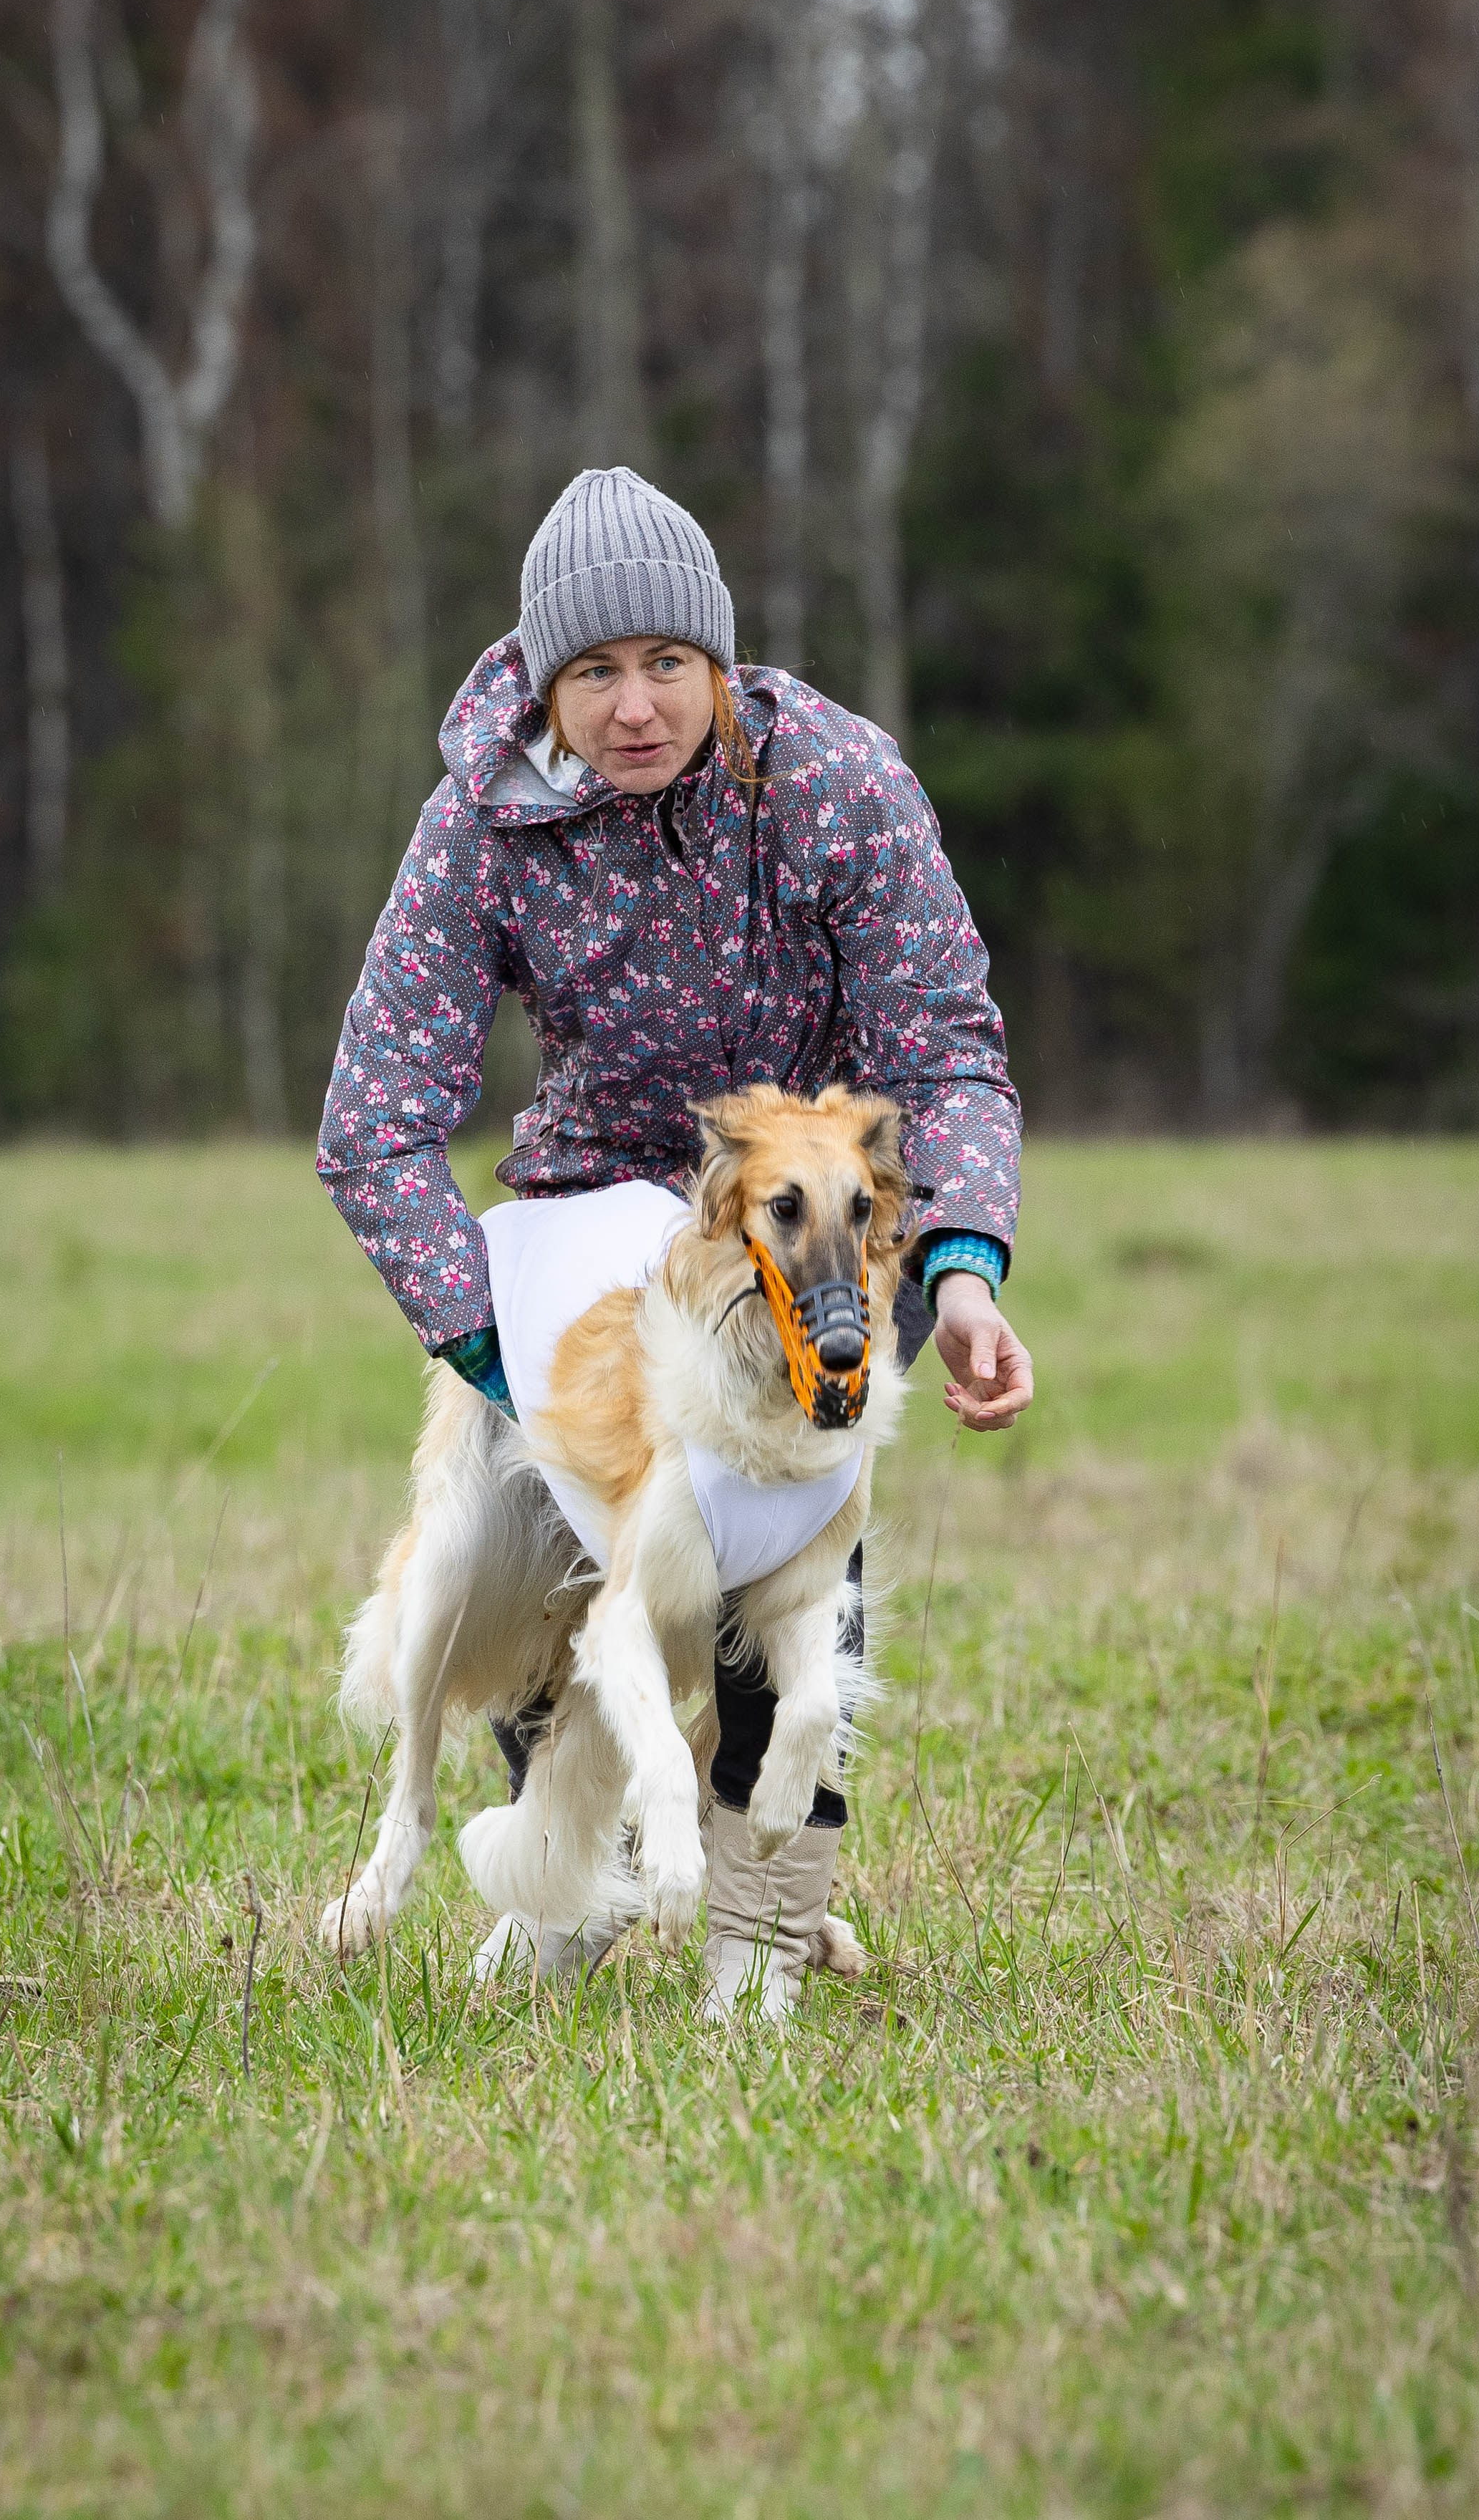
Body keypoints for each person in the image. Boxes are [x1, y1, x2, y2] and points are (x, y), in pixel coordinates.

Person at [319, 465, 1033, 2014]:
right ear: (540, 682)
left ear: (720, 664)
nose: (634, 706)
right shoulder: (483, 819)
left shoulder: (839, 779)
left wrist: (965, 1266)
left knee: (786, 1594)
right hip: (600, 1220)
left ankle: (763, 1928)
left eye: (666, 665)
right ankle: (574, 1879)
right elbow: (371, 1118)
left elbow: (949, 1046)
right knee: (601, 1573)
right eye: (594, 672)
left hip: (813, 1212)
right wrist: (476, 1333)